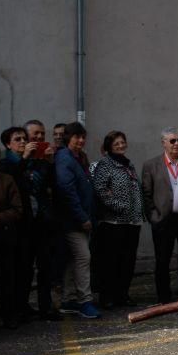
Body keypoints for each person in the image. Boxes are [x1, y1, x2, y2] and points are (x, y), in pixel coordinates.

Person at [5, 122, 59, 321]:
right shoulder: (9, 162)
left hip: (42, 222)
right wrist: (25, 158)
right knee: (23, 269)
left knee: (46, 267)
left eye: (42, 134)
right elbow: (13, 181)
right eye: (34, 134)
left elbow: (52, 186)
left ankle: (45, 307)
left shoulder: (40, 161)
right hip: (23, 225)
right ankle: (21, 307)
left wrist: (50, 162)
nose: (38, 138)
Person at [142, 128, 178, 303]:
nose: (177, 144)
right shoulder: (151, 165)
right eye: (172, 141)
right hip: (164, 219)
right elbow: (146, 193)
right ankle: (164, 295)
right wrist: (153, 216)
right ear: (164, 143)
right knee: (163, 259)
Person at [54, 122, 101, 319]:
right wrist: (82, 217)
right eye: (76, 137)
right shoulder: (65, 158)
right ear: (68, 138)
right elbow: (67, 190)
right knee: (83, 257)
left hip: (79, 219)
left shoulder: (78, 157)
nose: (81, 141)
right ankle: (84, 301)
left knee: (73, 260)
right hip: (73, 221)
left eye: (83, 137)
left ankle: (68, 299)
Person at [91, 131, 142, 309]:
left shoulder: (129, 165)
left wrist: (138, 211)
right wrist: (119, 206)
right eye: (116, 143)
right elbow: (100, 190)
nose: (121, 145)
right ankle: (107, 297)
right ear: (109, 146)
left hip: (132, 221)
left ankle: (123, 294)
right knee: (110, 262)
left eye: (122, 142)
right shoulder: (105, 164)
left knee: (127, 261)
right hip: (113, 222)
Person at [0, 140, 23, 328]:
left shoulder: (7, 180)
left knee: (6, 276)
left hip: (4, 234)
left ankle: (8, 314)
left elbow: (17, 209)